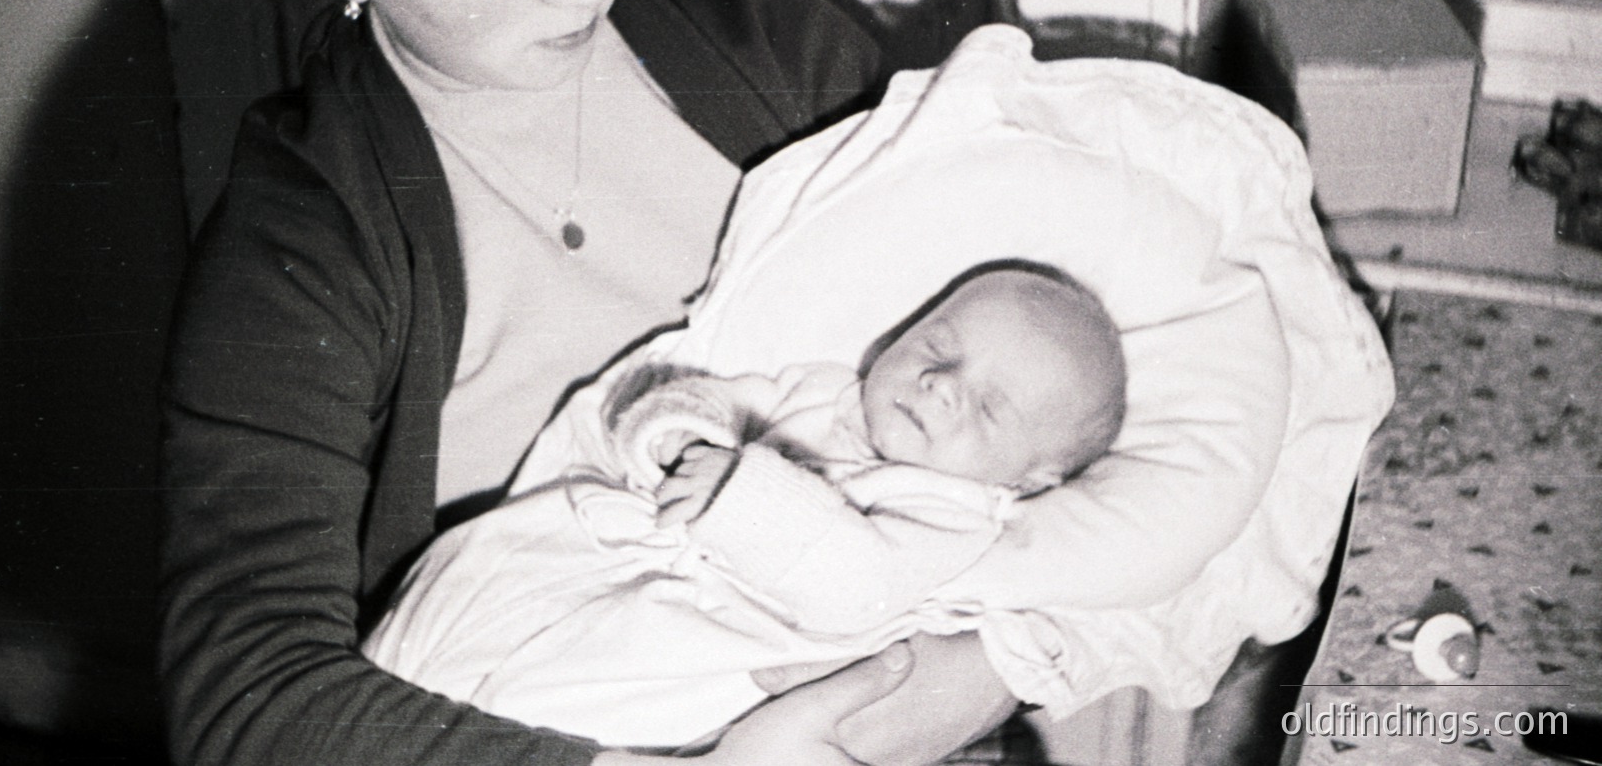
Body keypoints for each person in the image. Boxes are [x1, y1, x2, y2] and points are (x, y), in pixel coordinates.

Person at [156, 0, 1019, 764]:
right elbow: (245, 696)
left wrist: (992, 668)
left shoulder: (763, 46)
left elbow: (1046, 352)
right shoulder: (302, 243)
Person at [361, 263, 1128, 748]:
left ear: (1028, 481)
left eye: (989, 406)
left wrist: (736, 493)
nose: (940, 385)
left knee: (533, 710)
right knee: (464, 578)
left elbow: (857, 586)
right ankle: (368, 696)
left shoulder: (956, 515)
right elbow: (695, 398)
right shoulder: (816, 390)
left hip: (683, 647)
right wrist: (676, 434)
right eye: (935, 347)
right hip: (583, 559)